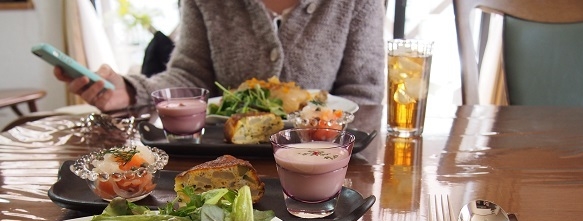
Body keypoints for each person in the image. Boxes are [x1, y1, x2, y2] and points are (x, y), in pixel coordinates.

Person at [55, 0, 385, 112]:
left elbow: (363, 96)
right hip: (224, 165)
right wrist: (130, 91)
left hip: (325, 170)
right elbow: (191, 77)